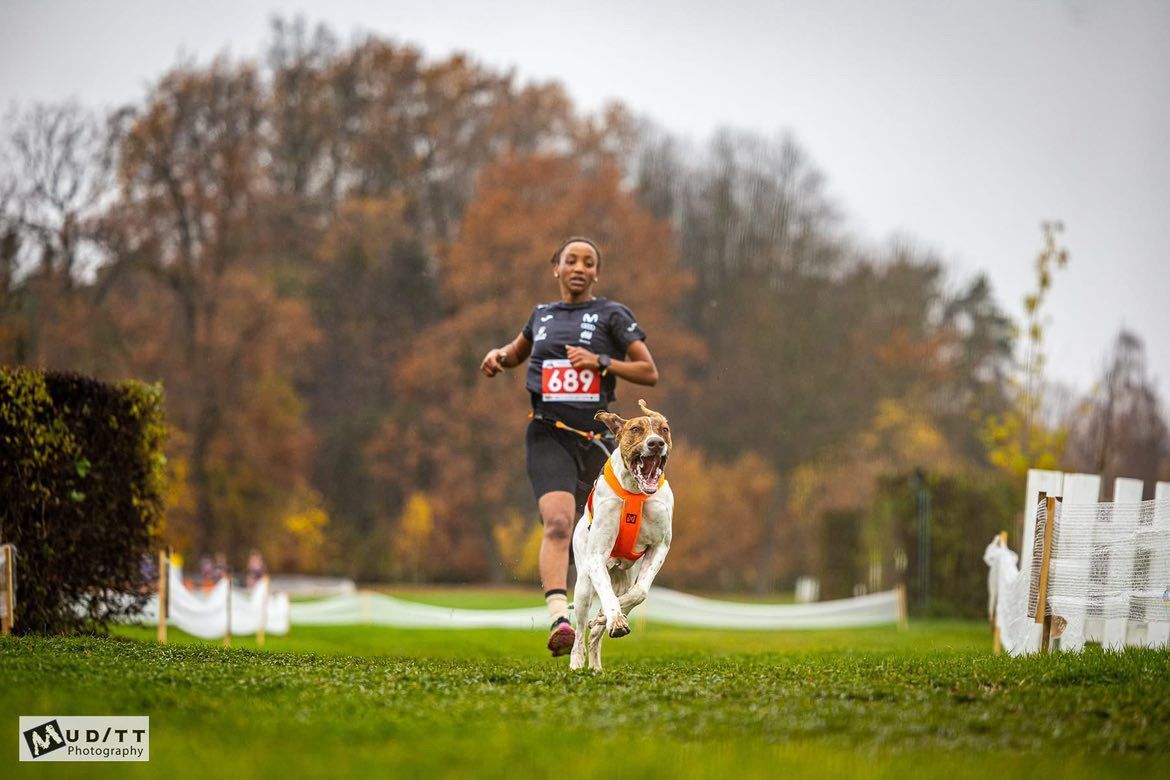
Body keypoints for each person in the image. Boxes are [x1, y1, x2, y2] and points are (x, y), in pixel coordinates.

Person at [480, 237, 659, 656]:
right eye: (570, 260)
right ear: (555, 268)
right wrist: (498, 357)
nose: (579, 267)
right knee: (559, 523)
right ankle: (558, 616)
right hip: (547, 432)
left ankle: (595, 619)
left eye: (588, 262)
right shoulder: (541, 315)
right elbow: (515, 352)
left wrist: (600, 362)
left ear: (596, 273)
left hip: (596, 443)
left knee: (595, 537)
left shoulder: (612, 315)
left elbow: (649, 372)